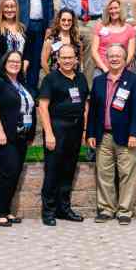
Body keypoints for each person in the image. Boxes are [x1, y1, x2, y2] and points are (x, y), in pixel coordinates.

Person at [86, 43, 136, 224]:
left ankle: (125, 211)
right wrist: (90, 134)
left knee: (127, 174)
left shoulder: (135, 80)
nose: (114, 59)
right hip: (103, 135)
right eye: (111, 55)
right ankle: (106, 209)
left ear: (125, 58)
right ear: (106, 58)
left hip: (127, 137)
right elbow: (93, 110)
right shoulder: (98, 81)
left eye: (118, 55)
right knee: (104, 174)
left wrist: (135, 134)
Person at [36, 43, 88, 225]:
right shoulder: (51, 79)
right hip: (57, 128)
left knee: (68, 170)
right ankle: (48, 211)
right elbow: (42, 107)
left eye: (70, 57)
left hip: (75, 128)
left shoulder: (81, 78)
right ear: (57, 59)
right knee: (53, 170)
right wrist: (49, 134)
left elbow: (85, 105)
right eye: (63, 57)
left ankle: (63, 209)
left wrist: (84, 130)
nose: (67, 61)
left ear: (76, 59)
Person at [0, 51, 36, 227]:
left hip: (20, 137)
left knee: (14, 175)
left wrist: (30, 134)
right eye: (11, 60)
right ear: (4, 62)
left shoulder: (22, 84)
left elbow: (29, 109)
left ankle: (6, 211)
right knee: (9, 173)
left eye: (18, 61)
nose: (15, 64)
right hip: (3, 136)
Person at [7, 0, 54, 91]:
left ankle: (32, 91)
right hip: (21, 25)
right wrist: (13, 24)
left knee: (36, 60)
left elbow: (50, 4)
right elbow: (10, 2)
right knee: (18, 57)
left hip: (40, 26)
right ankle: (16, 88)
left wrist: (50, 26)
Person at [60, 0, 108, 77]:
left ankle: (87, 90)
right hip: (74, 23)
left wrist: (101, 23)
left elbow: (104, 4)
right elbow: (63, 5)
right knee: (70, 55)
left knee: (90, 58)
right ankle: (70, 85)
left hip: (93, 23)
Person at [92, 0, 136, 76]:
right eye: (111, 9)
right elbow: (94, 52)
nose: (113, 11)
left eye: (116, 8)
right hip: (102, 70)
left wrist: (120, 69)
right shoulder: (99, 27)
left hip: (123, 70)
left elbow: (130, 54)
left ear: (120, 9)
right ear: (107, 11)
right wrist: (105, 69)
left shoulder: (129, 29)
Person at [0, 0, 27, 80]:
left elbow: (27, 52)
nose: (9, 10)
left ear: (17, 9)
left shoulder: (22, 28)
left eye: (12, 6)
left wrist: (24, 65)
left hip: (18, 74)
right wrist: (9, 68)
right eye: (6, 7)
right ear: (1, 9)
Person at [42, 9, 85, 75]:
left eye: (69, 20)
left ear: (73, 22)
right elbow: (43, 62)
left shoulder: (77, 40)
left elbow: (81, 60)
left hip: (74, 79)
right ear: (59, 20)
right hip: (56, 80)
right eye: (63, 20)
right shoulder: (51, 40)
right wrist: (51, 79)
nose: (66, 23)